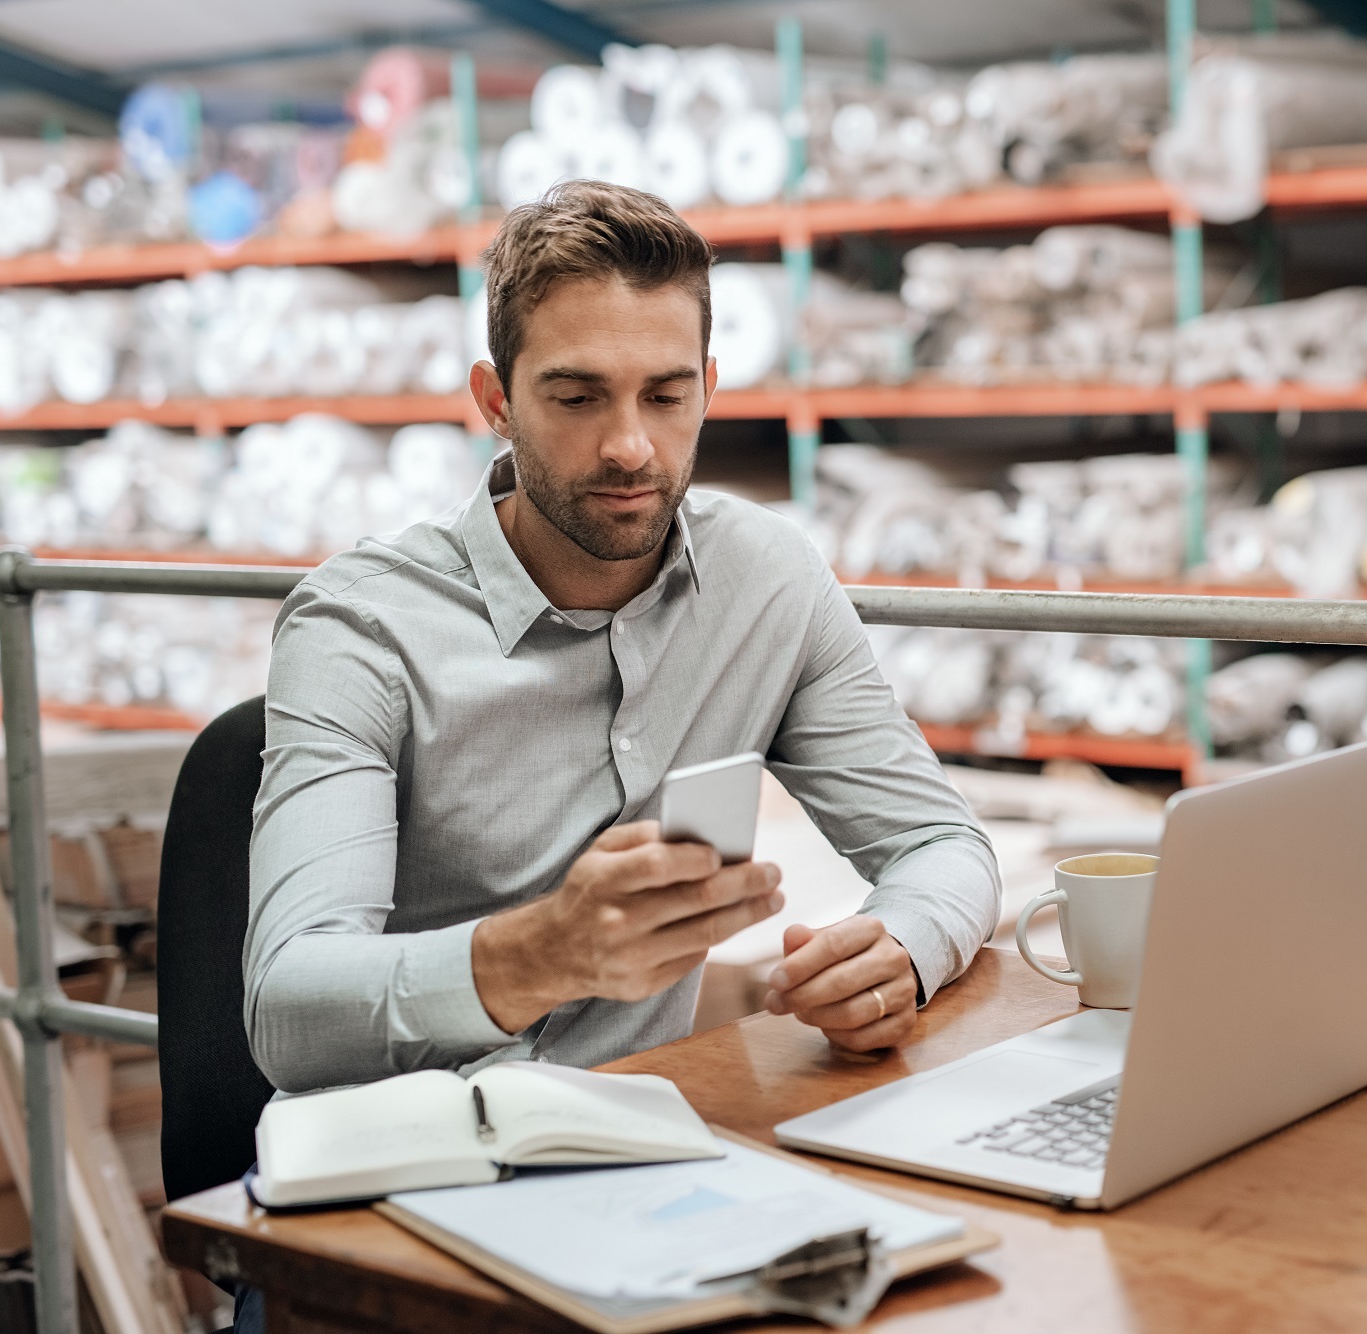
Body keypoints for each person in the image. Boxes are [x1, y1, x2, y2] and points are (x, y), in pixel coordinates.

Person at [243, 181, 1002, 1096]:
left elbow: (940, 844)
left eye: (667, 396)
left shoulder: (767, 581)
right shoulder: (361, 629)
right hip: (405, 1163)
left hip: (641, 1141)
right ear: (495, 400)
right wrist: (540, 955)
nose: (631, 447)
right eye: (577, 398)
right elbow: (288, 1012)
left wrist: (901, 950)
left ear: (709, 390)